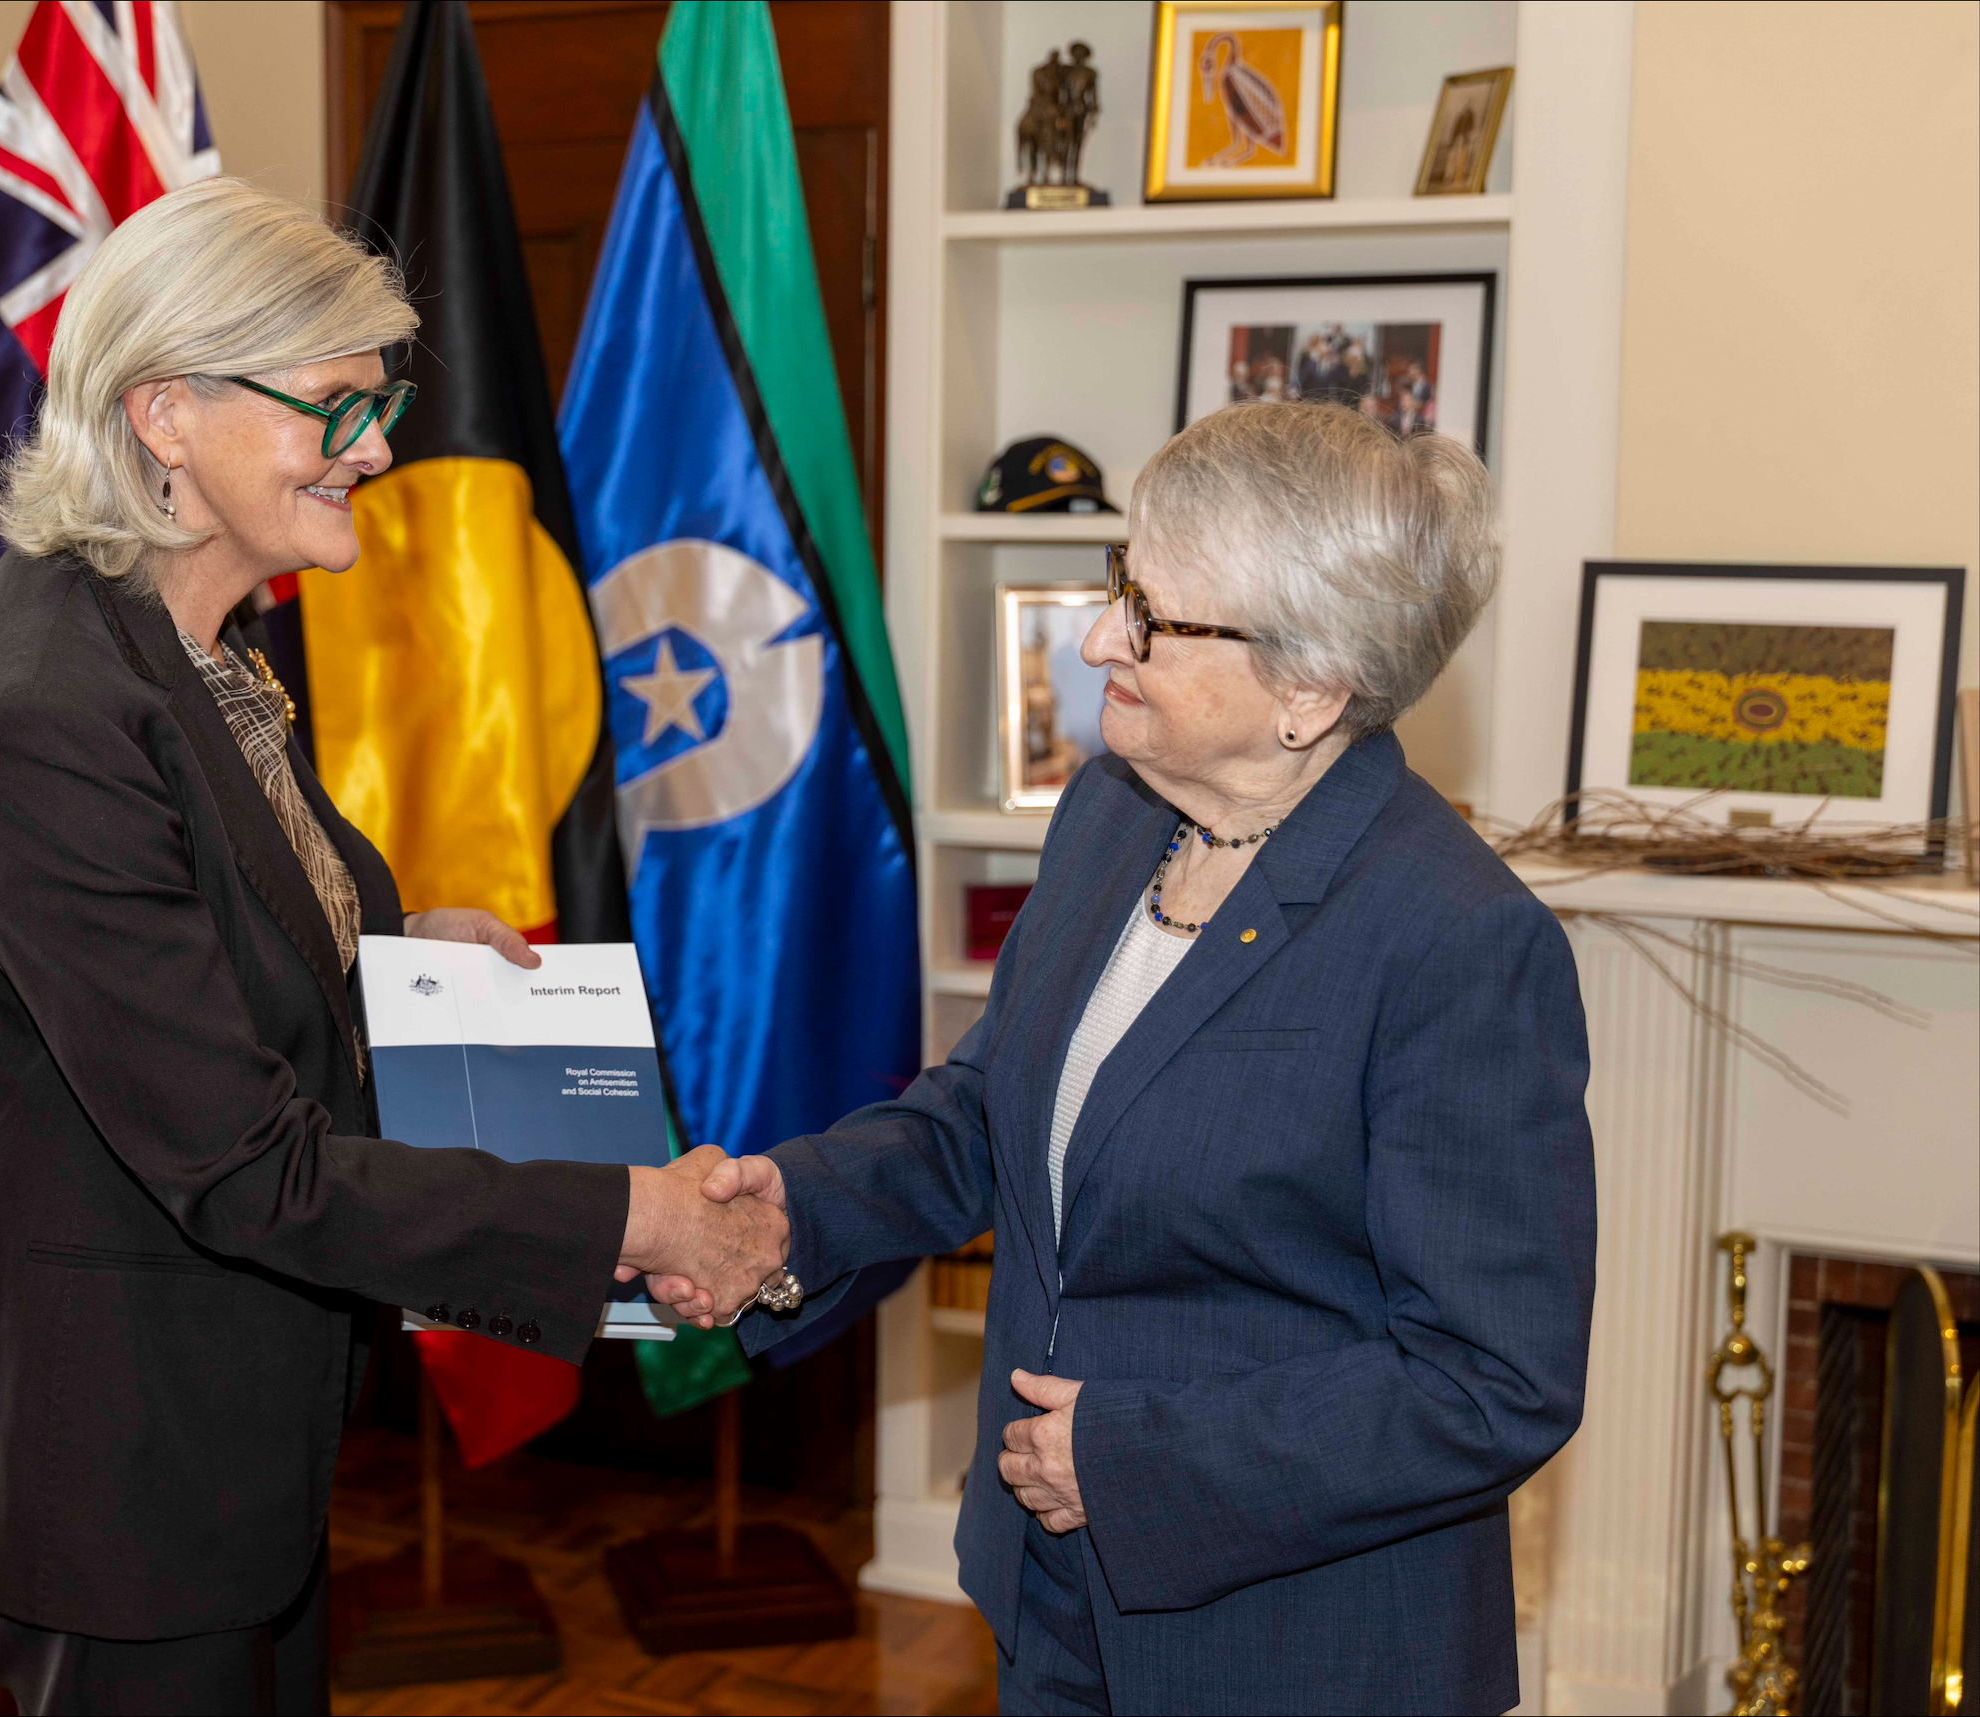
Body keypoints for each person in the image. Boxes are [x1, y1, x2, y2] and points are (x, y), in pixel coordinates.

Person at [0, 179, 787, 1717]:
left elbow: (210, 919)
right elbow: (244, 1164)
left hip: (216, 1415)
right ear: (165, 413)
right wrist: (628, 1215)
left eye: (383, 397)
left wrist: (394, 937)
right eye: (337, 403)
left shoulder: (188, 640)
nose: (375, 445)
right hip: (113, 1454)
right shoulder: (51, 713)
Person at [662, 401, 1595, 1714]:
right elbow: (996, 1109)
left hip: (1295, 1650)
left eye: (1151, 617)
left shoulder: (1455, 940)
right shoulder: (1110, 814)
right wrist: (790, 1206)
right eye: (1118, 589)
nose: (1098, 637)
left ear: (1309, 687)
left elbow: (1490, 1381)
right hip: (1051, 1598)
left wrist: (1135, 1459)